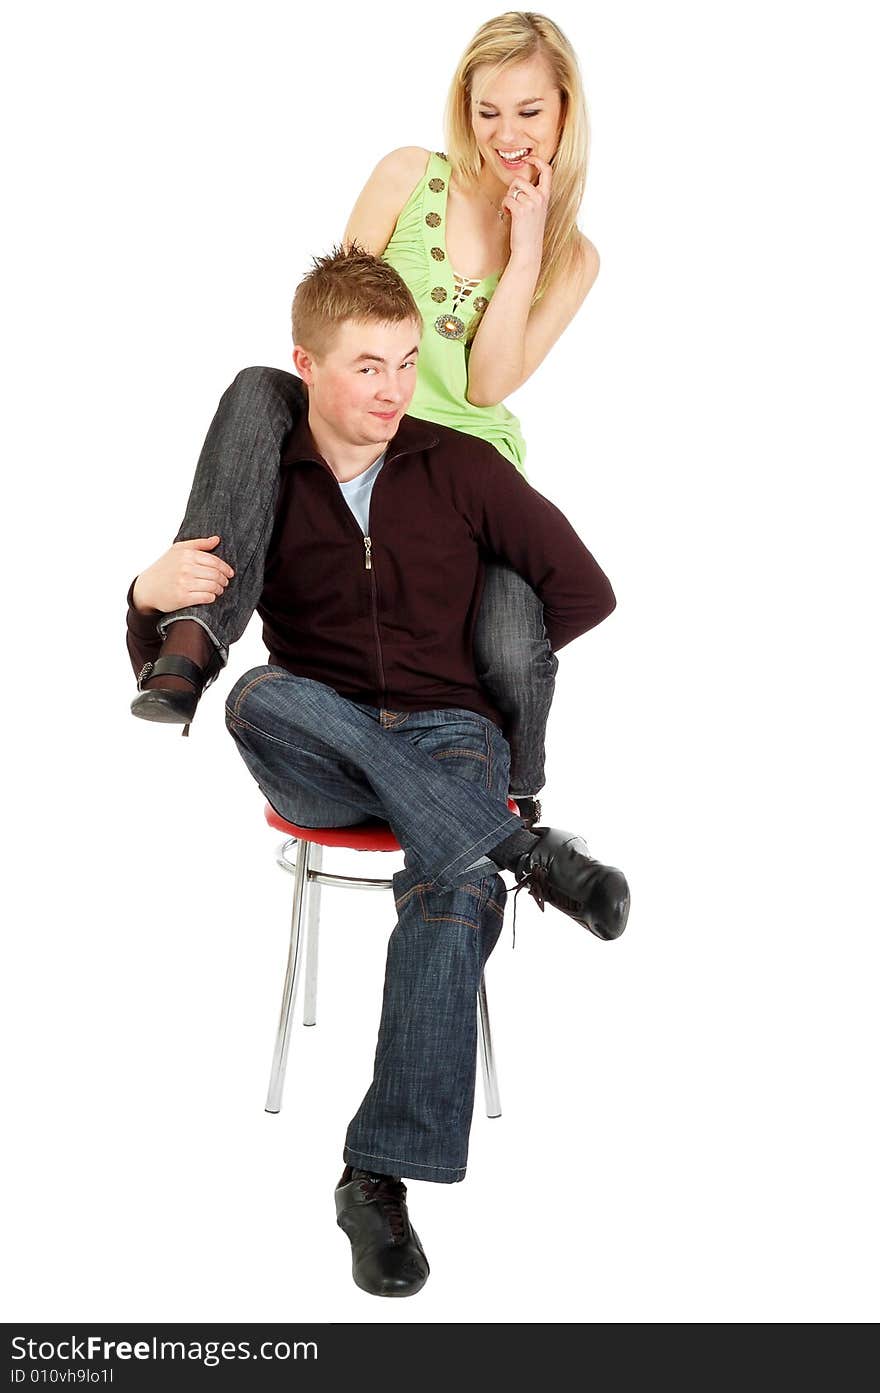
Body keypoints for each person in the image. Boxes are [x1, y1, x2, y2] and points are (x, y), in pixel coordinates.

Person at [125, 247, 629, 1297]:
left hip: (450, 732)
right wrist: (142, 591)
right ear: (306, 365)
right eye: (366, 365)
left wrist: (498, 677)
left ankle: (374, 1178)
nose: (393, 388)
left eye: (405, 361)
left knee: (449, 886)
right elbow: (189, 636)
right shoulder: (267, 478)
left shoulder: (459, 466)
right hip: (318, 733)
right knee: (260, 692)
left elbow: (580, 591)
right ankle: (520, 847)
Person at [129, 11, 600, 826]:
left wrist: (525, 249)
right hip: (353, 430)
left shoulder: (571, 255)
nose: (506, 132)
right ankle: (191, 634)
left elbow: (486, 386)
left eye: (529, 111)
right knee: (255, 385)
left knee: (509, 641)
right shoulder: (408, 175)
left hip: (461, 466)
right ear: (464, 106)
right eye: (487, 111)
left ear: (565, 110)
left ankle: (512, 803)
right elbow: (342, 317)